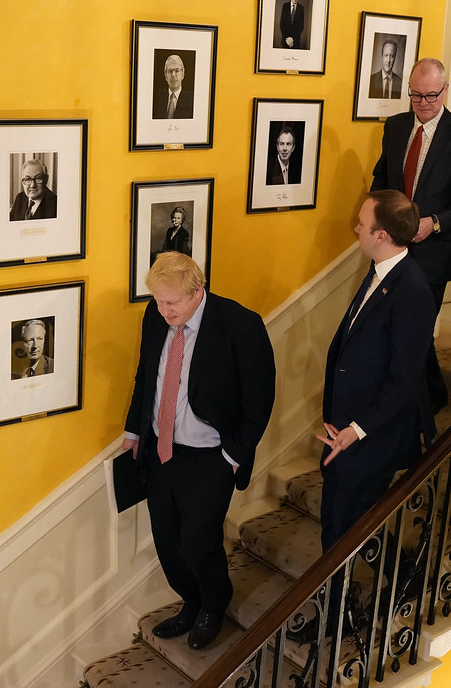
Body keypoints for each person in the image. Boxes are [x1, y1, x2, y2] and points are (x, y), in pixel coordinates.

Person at [123, 252, 275, 651]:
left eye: (172, 302)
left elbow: (259, 401)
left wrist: (232, 457)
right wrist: (134, 430)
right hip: (161, 451)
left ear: (197, 291)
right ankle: (190, 602)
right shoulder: (156, 317)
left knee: (198, 543)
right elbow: (147, 375)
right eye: (157, 300)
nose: (164, 310)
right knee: (167, 541)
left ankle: (213, 605)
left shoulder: (240, 325)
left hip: (210, 457)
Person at [317, 190, 436, 555]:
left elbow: (404, 380)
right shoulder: (380, 271)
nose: (356, 228)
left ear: (381, 235)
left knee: (342, 537)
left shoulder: (413, 290)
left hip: (371, 438)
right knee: (336, 526)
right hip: (344, 428)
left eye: (362, 224)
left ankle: (337, 607)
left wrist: (357, 429)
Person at [370, 57, 451, 412]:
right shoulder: (395, 127)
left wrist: (433, 222)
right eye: (416, 95)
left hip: (433, 252)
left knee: (414, 330)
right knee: (387, 326)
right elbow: (381, 180)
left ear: (445, 91)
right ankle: (423, 397)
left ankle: (423, 405)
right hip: (389, 248)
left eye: (431, 96)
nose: (423, 103)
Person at [153, 54, 194, 120]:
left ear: (183, 74)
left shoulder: (192, 100)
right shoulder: (156, 99)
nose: (173, 75)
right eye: (170, 71)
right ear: (165, 75)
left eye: (177, 71)